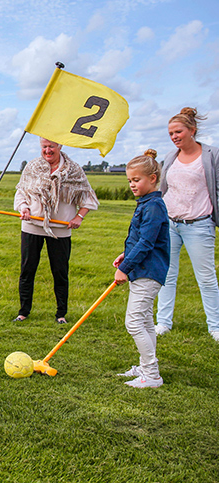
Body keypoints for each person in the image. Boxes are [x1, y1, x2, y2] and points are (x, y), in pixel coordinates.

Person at [13, 138, 99, 324]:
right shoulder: (33, 167)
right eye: (44, 146)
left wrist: (79, 217)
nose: (47, 150)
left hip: (60, 229)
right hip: (32, 227)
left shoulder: (74, 170)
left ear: (60, 146)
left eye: (51, 146)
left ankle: (61, 314)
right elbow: (21, 192)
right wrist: (24, 208)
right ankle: (23, 312)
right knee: (27, 270)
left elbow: (87, 197)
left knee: (60, 272)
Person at [155, 108, 219, 342]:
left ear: (192, 130)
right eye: (171, 133)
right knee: (166, 275)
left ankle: (216, 326)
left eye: (178, 131)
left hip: (199, 225)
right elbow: (165, 189)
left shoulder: (212, 155)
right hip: (170, 224)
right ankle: (163, 322)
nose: (174, 136)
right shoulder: (171, 157)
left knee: (206, 277)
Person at [113, 150, 170, 388]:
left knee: (134, 321)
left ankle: (152, 375)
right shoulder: (146, 203)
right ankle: (144, 367)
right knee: (145, 320)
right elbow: (145, 239)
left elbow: (147, 243)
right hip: (142, 269)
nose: (132, 185)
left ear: (153, 178)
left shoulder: (154, 205)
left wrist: (125, 268)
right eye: (129, 180)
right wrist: (127, 255)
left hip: (149, 272)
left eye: (136, 180)